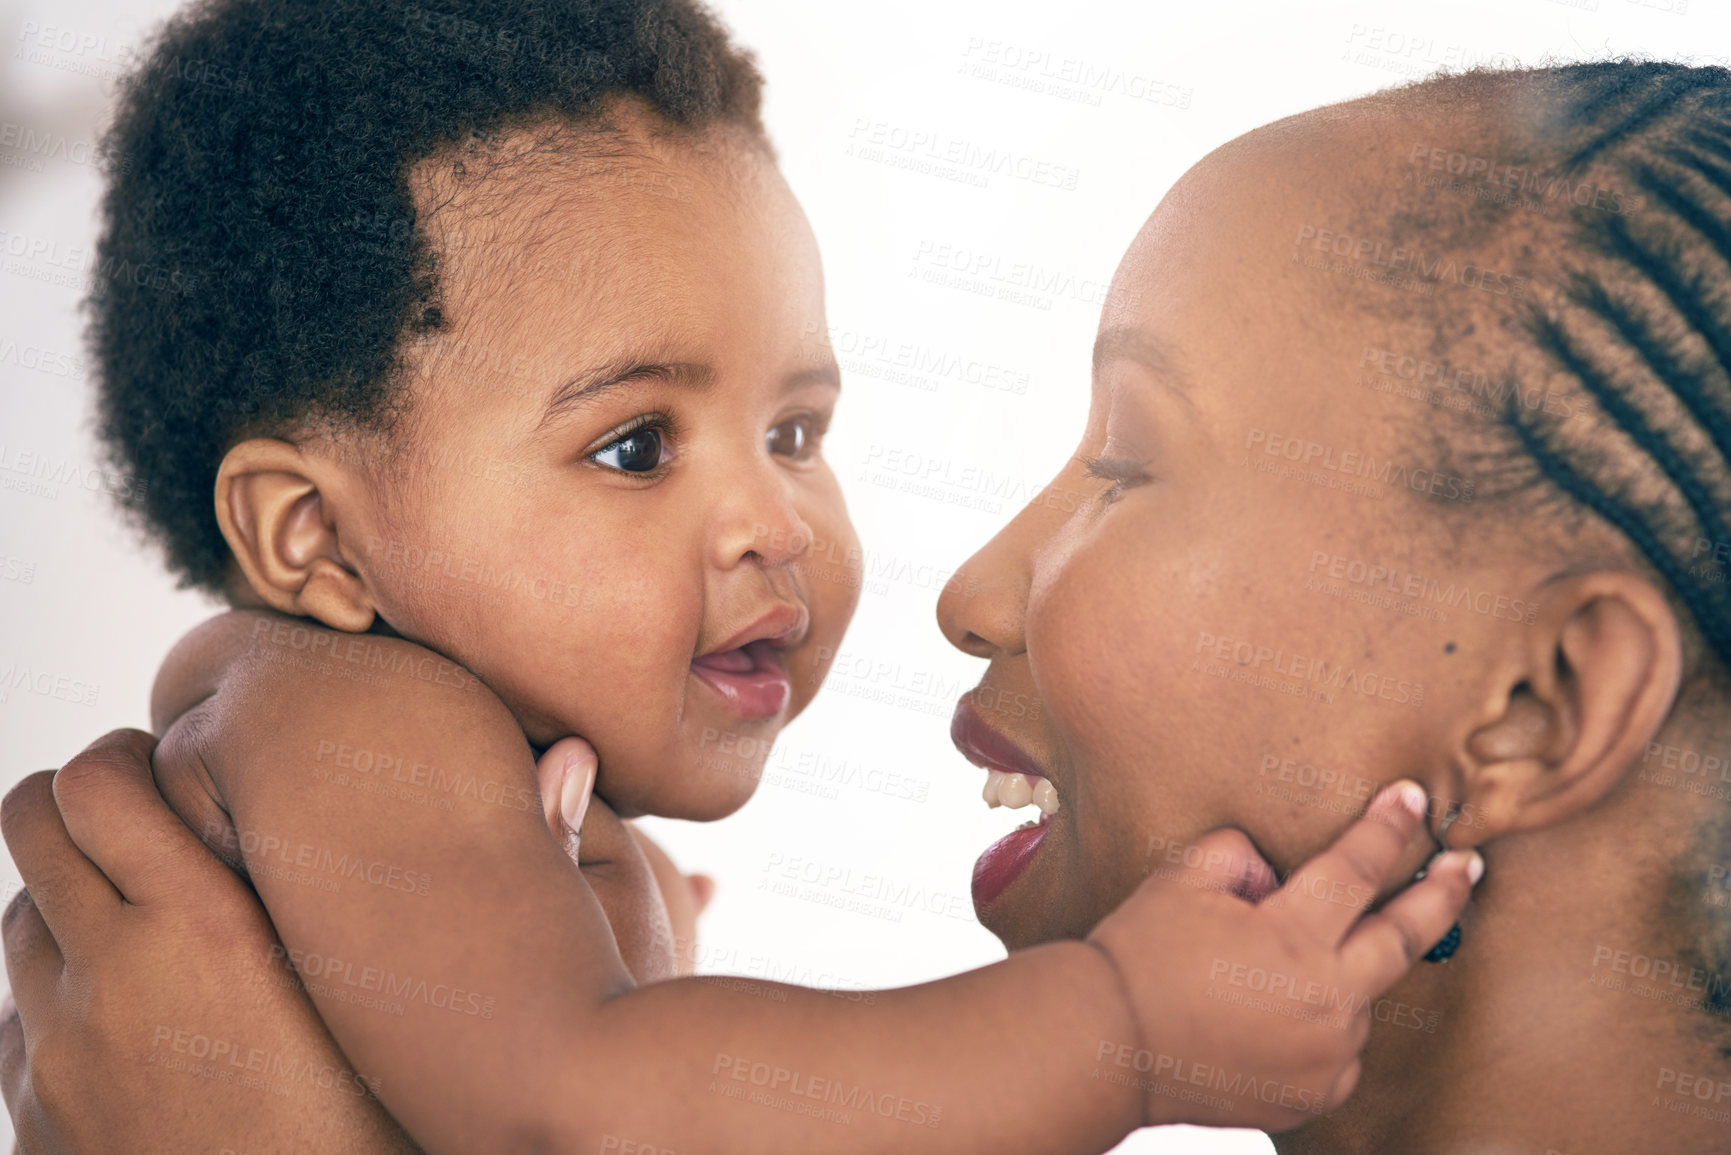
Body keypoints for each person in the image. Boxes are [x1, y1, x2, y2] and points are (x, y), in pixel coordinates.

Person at [0, 0, 1480, 1152]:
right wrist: (1126, 1034)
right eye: (638, 446)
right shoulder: (346, 722)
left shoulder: (443, 776)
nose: (773, 522)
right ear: (310, 539)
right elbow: (582, 1112)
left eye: (794, 431)